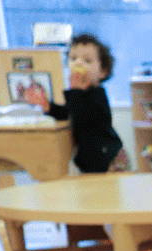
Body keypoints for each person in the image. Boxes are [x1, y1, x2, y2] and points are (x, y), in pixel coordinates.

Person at [24, 33, 129, 173]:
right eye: (73, 58)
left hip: (109, 159)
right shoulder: (78, 96)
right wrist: (47, 105)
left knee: (107, 193)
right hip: (92, 159)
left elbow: (82, 116)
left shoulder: (98, 95)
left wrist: (75, 91)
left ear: (103, 72)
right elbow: (68, 113)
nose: (78, 63)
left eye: (87, 60)